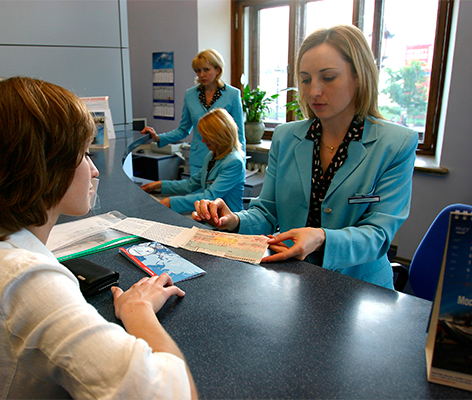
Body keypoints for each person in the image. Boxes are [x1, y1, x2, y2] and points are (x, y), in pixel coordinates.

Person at [0, 77, 198, 399]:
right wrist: (139, 312)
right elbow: (174, 393)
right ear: (45, 168)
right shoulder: (28, 282)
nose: (94, 170)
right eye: (84, 154)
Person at [193, 25, 418, 290]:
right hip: (294, 281)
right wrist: (234, 220)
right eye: (306, 79)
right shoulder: (286, 137)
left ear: (359, 76)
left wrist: (322, 238)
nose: (314, 92)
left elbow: (378, 235)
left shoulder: (395, 143)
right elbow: (267, 211)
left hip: (361, 290)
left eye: (328, 78)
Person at [141, 49, 245, 175]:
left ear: (217, 70)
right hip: (198, 159)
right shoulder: (190, 95)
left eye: (206, 70)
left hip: (224, 159)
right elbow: (183, 130)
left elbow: (239, 134)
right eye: (198, 71)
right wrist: (159, 137)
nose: (201, 75)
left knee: (218, 189)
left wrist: (241, 164)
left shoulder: (232, 94)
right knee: (195, 188)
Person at [141, 108, 246, 214]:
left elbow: (210, 196)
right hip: (210, 216)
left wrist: (170, 202)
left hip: (227, 219)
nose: (203, 140)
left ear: (220, 136)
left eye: (207, 137)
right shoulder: (212, 155)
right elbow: (191, 184)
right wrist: (158, 185)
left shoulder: (234, 162)